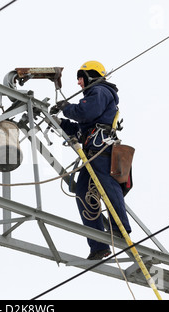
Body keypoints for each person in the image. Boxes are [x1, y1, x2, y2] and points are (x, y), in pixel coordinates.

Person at [52, 61, 131, 260]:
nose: (79, 83)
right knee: (83, 191)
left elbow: (84, 112)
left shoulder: (101, 91)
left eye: (81, 78)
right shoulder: (93, 102)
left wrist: (67, 108)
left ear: (91, 76)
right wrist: (60, 122)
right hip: (92, 152)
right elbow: (80, 129)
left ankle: (120, 228)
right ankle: (98, 245)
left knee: (108, 186)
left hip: (103, 150)